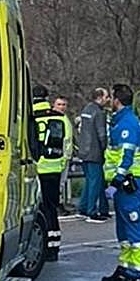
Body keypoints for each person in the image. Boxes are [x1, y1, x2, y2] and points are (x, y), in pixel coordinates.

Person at [102, 84, 140, 281]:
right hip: (123, 184)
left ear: (117, 100)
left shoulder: (127, 124)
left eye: (111, 98)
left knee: (133, 226)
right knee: (123, 229)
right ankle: (124, 268)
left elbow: (126, 157)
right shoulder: (120, 122)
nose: (109, 101)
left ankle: (134, 276)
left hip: (129, 183)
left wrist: (116, 181)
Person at [33, 84, 73, 261]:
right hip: (54, 168)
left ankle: (37, 246)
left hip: (34, 169)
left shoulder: (29, 117)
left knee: (33, 210)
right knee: (51, 209)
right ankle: (53, 248)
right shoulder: (60, 118)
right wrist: (63, 162)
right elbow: (68, 143)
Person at [76, 87, 111, 223]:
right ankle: (92, 211)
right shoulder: (99, 113)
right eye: (106, 97)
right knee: (95, 182)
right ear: (100, 97)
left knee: (90, 181)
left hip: (84, 151)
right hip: (94, 152)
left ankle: (84, 208)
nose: (108, 100)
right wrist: (104, 148)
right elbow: (102, 134)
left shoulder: (86, 109)